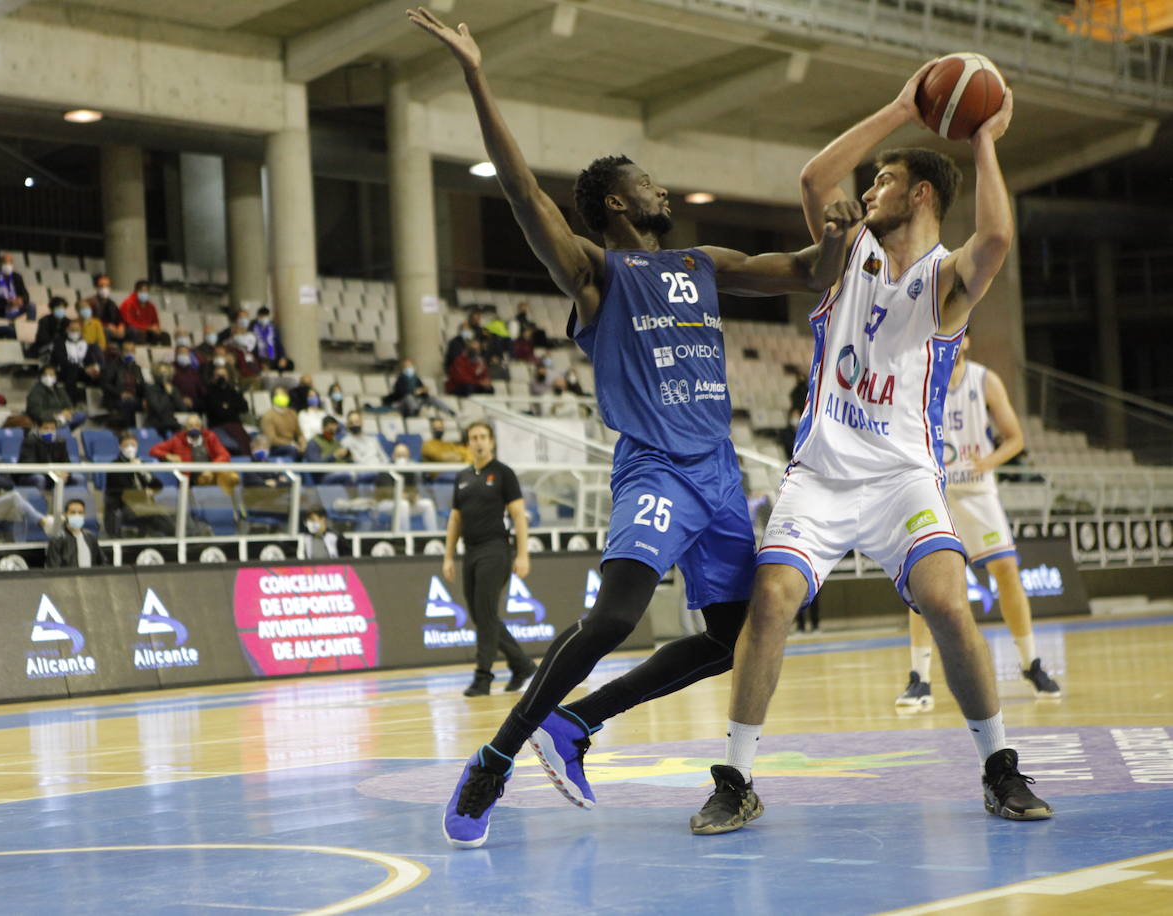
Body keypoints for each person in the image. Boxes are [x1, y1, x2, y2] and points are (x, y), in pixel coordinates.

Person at [408, 7, 862, 849]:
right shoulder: (596, 272)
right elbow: (522, 192)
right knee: (615, 616)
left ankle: (577, 724)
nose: (664, 191)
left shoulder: (702, 265)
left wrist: (836, 238)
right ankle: (495, 760)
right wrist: (476, 74)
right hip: (655, 467)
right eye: (651, 182)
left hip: (720, 474)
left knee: (731, 639)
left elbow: (806, 274)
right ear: (620, 202)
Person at [693, 63, 1051, 836]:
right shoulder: (842, 254)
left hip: (902, 479)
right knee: (774, 600)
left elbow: (995, 237)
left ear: (920, 195)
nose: (870, 190)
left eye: (884, 180)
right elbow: (815, 174)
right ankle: (736, 777)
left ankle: (999, 768)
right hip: (820, 476)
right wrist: (898, 107)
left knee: (951, 602)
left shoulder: (945, 278)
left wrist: (985, 137)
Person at [897, 337, 1061, 709]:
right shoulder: (919, 376)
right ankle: (919, 679)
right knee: (920, 581)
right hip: (936, 490)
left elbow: (1015, 438)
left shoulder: (984, 380)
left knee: (1006, 569)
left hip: (976, 490)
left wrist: (989, 461)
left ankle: (1031, 663)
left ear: (966, 339)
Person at [443, 421, 536, 698]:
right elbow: (455, 518)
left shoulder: (503, 473)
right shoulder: (462, 477)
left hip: (495, 550)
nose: (479, 441)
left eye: (483, 437)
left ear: (492, 442)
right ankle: (522, 664)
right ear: (468, 443)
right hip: (470, 552)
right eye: (474, 437)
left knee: (485, 613)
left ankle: (483, 677)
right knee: (481, 615)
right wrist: (448, 556)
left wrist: (523, 554)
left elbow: (519, 516)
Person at [150, 415, 242, 514]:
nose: (194, 428)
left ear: (201, 427)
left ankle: (237, 512)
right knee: (214, 478)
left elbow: (224, 455)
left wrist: (211, 468)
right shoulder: (177, 440)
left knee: (231, 476)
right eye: (191, 426)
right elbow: (154, 450)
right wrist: (168, 455)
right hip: (192, 478)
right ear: (185, 428)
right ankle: (230, 509)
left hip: (212, 471)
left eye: (197, 425)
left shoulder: (209, 437)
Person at [104, 432, 175, 537]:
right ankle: (174, 538)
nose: (130, 448)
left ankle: (175, 538)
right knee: (159, 514)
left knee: (174, 512)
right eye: (126, 445)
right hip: (125, 507)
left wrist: (142, 471)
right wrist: (144, 492)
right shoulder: (115, 466)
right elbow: (124, 493)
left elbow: (158, 486)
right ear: (120, 447)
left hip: (145, 504)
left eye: (133, 445)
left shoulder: (140, 463)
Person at [377, 443, 439, 531]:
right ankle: (404, 535)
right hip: (385, 504)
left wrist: (413, 496)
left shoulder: (410, 471)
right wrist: (400, 495)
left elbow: (413, 490)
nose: (402, 458)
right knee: (403, 504)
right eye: (399, 455)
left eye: (404, 455)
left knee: (427, 504)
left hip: (406, 502)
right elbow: (385, 492)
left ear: (409, 456)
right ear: (393, 455)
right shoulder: (386, 470)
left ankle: (433, 534)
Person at [51, 319, 104, 405]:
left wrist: (93, 367)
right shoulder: (60, 343)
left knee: (99, 372)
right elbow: (62, 362)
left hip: (83, 372)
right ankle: (70, 404)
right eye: (72, 330)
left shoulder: (85, 344)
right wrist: (84, 369)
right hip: (65, 372)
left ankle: (98, 406)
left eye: (77, 330)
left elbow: (89, 360)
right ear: (67, 330)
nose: (75, 332)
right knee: (73, 370)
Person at [203, 365, 251, 456]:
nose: (221, 378)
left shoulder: (233, 392)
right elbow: (216, 411)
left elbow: (244, 407)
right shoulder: (208, 392)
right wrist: (229, 407)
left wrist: (227, 407)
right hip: (217, 426)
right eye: (218, 375)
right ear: (213, 377)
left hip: (235, 425)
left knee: (247, 443)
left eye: (223, 375)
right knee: (231, 445)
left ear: (228, 377)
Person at [45, 498, 105, 568]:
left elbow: (101, 563)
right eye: (73, 512)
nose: (77, 515)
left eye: (80, 513)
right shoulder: (57, 540)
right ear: (65, 515)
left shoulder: (90, 537)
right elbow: (54, 568)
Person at [385, 359, 455, 417]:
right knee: (409, 398)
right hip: (404, 403)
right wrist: (416, 392)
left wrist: (424, 390)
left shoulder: (416, 379)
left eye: (410, 366)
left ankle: (450, 412)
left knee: (433, 399)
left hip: (418, 400)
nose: (408, 368)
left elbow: (423, 392)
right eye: (406, 366)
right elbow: (400, 394)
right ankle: (416, 414)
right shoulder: (399, 380)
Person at [16, 416, 70, 491]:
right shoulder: (30, 441)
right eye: (46, 428)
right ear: (38, 428)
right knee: (39, 478)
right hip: (30, 476)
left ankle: (70, 502)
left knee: (78, 478)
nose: (49, 431)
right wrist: (51, 472)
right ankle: (39, 501)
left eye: (52, 429)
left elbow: (66, 462)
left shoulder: (60, 442)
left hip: (53, 475)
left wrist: (65, 473)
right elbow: (29, 466)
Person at [27, 365, 86, 430]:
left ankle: (64, 431)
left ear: (55, 377)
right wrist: (57, 414)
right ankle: (59, 431)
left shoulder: (59, 389)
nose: (48, 377)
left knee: (81, 415)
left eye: (51, 375)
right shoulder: (36, 391)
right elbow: (37, 413)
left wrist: (68, 412)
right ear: (41, 376)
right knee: (62, 422)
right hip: (47, 419)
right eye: (45, 375)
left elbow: (69, 405)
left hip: (62, 417)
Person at [101, 340, 145, 428]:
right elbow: (105, 384)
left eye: (132, 351)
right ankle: (129, 430)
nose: (129, 353)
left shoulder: (137, 368)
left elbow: (141, 385)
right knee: (129, 404)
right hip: (115, 398)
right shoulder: (112, 366)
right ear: (121, 352)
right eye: (127, 351)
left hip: (134, 398)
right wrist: (120, 394)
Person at [143, 360, 191, 437]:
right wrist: (167, 394)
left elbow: (183, 408)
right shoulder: (150, 389)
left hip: (171, 423)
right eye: (161, 372)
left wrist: (172, 394)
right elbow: (158, 409)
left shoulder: (172, 389)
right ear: (156, 373)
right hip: (155, 423)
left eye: (166, 372)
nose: (164, 375)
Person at [0, 254, 34, 321]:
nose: (8, 265)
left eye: (10, 263)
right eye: (6, 262)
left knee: (31, 305)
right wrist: (6, 302)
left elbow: (25, 294)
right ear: (0, 263)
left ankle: (29, 328)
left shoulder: (17, 277)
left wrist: (21, 299)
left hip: (15, 306)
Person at [81, 275, 127, 350]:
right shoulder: (90, 302)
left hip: (112, 329)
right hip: (97, 328)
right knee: (107, 331)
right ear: (97, 287)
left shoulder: (112, 303)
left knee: (127, 332)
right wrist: (107, 325)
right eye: (101, 286)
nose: (104, 288)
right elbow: (88, 319)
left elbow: (119, 319)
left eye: (107, 286)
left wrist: (120, 327)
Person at [259, 387, 304, 460]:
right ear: (273, 398)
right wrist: (291, 444)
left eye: (284, 395)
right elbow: (272, 439)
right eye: (279, 395)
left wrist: (303, 444)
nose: (282, 397)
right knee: (291, 450)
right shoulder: (268, 416)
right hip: (276, 447)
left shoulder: (292, 413)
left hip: (292, 444)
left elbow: (299, 434)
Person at [120, 280, 169, 345]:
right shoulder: (128, 303)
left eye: (146, 291)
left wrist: (156, 328)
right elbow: (129, 323)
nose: (144, 293)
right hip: (132, 331)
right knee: (139, 333)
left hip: (148, 331)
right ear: (136, 291)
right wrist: (147, 328)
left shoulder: (151, 306)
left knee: (164, 335)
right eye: (142, 291)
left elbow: (155, 323)